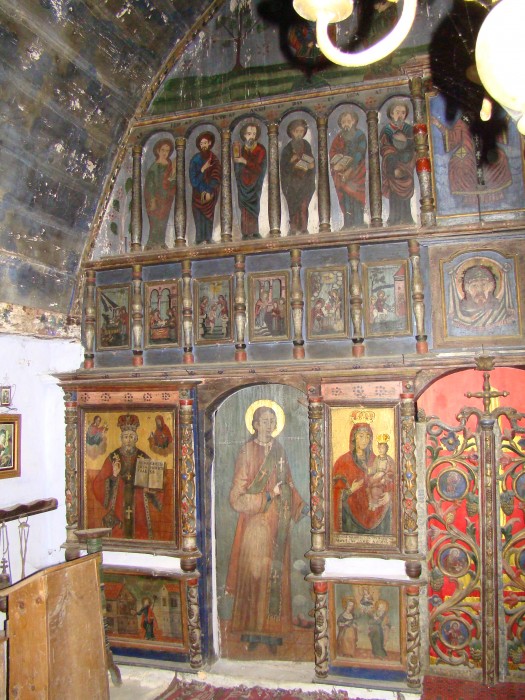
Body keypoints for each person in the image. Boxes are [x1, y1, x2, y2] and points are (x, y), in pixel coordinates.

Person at [225, 405, 308, 655]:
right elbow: (236, 498)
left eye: (273, 420)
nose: (269, 425)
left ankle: (273, 632)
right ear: (255, 424)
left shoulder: (279, 450)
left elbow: (288, 484)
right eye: (265, 420)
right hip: (256, 524)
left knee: (276, 575)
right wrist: (269, 495)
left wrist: (302, 507)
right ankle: (251, 631)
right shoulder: (247, 452)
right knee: (255, 575)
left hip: (279, 525)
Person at [92, 414, 163, 540]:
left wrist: (150, 490)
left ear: (136, 438)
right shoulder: (113, 457)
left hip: (139, 508)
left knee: (140, 534)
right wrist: (114, 475)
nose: (128, 440)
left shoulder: (144, 457)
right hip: (118, 506)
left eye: (131, 436)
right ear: (121, 439)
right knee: (118, 534)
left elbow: (156, 485)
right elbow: (97, 484)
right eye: (125, 437)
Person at [431, 112, 512, 207]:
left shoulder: (487, 117)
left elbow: (496, 133)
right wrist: (439, 125)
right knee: (458, 163)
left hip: (487, 149)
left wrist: (507, 119)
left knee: (500, 158)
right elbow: (453, 137)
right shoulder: (464, 120)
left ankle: (494, 196)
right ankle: (470, 199)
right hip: (468, 151)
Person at [333, 422, 393, 534]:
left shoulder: (378, 461)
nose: (364, 440)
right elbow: (333, 494)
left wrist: (390, 495)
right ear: (354, 438)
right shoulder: (342, 462)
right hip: (351, 518)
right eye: (361, 436)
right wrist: (350, 490)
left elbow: (392, 482)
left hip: (377, 516)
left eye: (367, 436)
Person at [450, 263, 517, 330]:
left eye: (483, 284)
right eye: (474, 285)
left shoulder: (500, 311)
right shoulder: (460, 311)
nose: (480, 290)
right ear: (467, 288)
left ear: (491, 286)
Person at [380, 101, 416, 226]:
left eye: (403, 113)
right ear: (391, 114)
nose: (400, 115)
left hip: (407, 164)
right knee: (395, 191)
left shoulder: (409, 129)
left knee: (406, 188)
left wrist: (406, 141)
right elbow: (385, 147)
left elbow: (414, 144)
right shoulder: (387, 130)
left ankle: (407, 217)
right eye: (397, 112)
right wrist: (393, 164)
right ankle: (394, 218)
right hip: (393, 162)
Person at [329, 110, 367, 228]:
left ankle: (359, 222)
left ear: (354, 121)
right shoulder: (338, 137)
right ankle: (348, 224)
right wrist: (336, 163)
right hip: (342, 173)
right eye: (343, 122)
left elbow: (360, 152)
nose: (346, 124)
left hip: (356, 171)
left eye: (348, 121)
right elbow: (332, 152)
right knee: (346, 196)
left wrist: (350, 169)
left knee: (357, 197)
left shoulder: (359, 135)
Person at [280, 118, 315, 235]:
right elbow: (283, 168)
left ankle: (304, 228)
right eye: (296, 131)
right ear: (291, 132)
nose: (299, 134)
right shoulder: (287, 149)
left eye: (301, 131)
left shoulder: (306, 145)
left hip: (305, 182)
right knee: (293, 207)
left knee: (303, 206)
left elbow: (310, 161)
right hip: (292, 184)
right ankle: (294, 228)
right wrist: (291, 161)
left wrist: (310, 165)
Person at [233, 122, 267, 239]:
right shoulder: (241, 150)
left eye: (253, 134)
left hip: (255, 183)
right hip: (243, 184)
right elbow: (237, 169)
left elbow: (259, 168)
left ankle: (254, 231)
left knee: (254, 207)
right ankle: (246, 233)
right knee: (244, 208)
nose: (251, 136)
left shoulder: (260, 149)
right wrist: (238, 162)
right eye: (248, 134)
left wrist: (244, 161)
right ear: (244, 135)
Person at [189, 131, 222, 245]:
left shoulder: (214, 159)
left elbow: (217, 176)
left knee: (209, 217)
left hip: (210, 195)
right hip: (198, 194)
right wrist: (203, 169)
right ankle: (199, 239)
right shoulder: (195, 159)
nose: (203, 145)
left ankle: (208, 237)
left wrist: (209, 190)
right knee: (198, 217)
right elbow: (193, 181)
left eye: (205, 143)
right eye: (201, 143)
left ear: (210, 143)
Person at [144, 138, 176, 249]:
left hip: (166, 198)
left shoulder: (170, 165)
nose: (165, 153)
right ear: (158, 151)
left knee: (163, 220)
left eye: (167, 151)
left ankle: (161, 241)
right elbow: (150, 185)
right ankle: (151, 242)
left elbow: (172, 181)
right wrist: (152, 199)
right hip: (156, 198)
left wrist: (173, 177)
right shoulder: (154, 167)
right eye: (163, 150)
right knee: (155, 221)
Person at [368, 436, 395, 512]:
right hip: (377, 476)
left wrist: (385, 477)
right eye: (379, 448)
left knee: (376, 489)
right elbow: (374, 468)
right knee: (369, 485)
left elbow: (392, 472)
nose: (380, 449)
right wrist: (370, 471)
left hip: (385, 478)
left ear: (386, 449)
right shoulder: (377, 458)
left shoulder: (389, 459)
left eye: (382, 448)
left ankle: (377, 503)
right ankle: (372, 502)